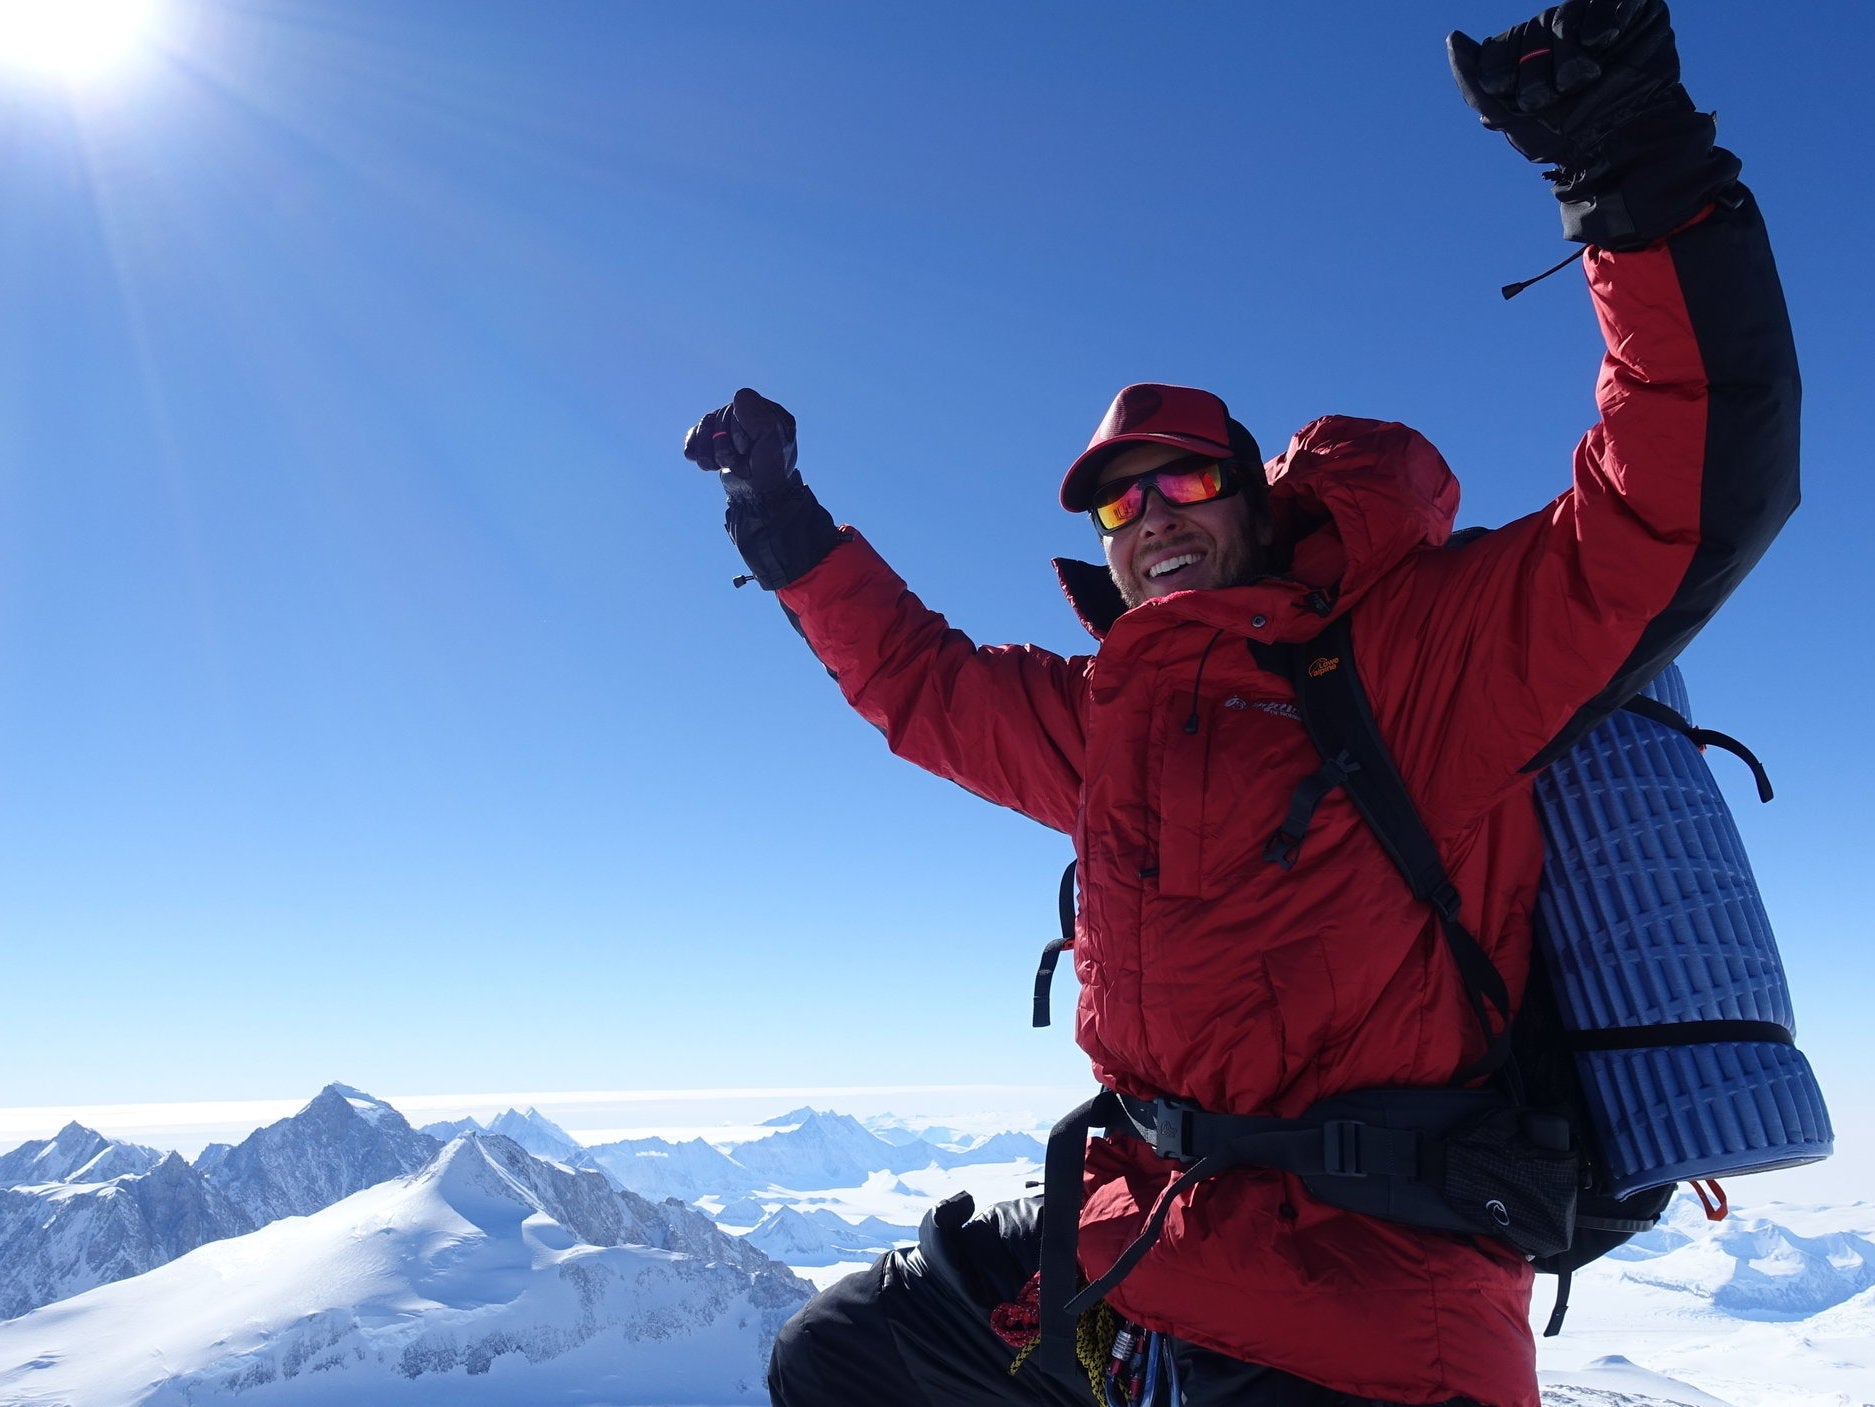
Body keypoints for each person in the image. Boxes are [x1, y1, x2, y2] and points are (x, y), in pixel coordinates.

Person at [681, 3, 1799, 1404]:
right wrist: (782, 524)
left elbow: (1669, 498)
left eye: (1186, 482)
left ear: (1260, 502)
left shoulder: (1411, 656)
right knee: (841, 1358)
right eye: (1116, 503)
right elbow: (919, 685)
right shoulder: (1109, 722)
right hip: (1144, 1226)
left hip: (1372, 1293)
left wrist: (1629, 169)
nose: (1150, 517)